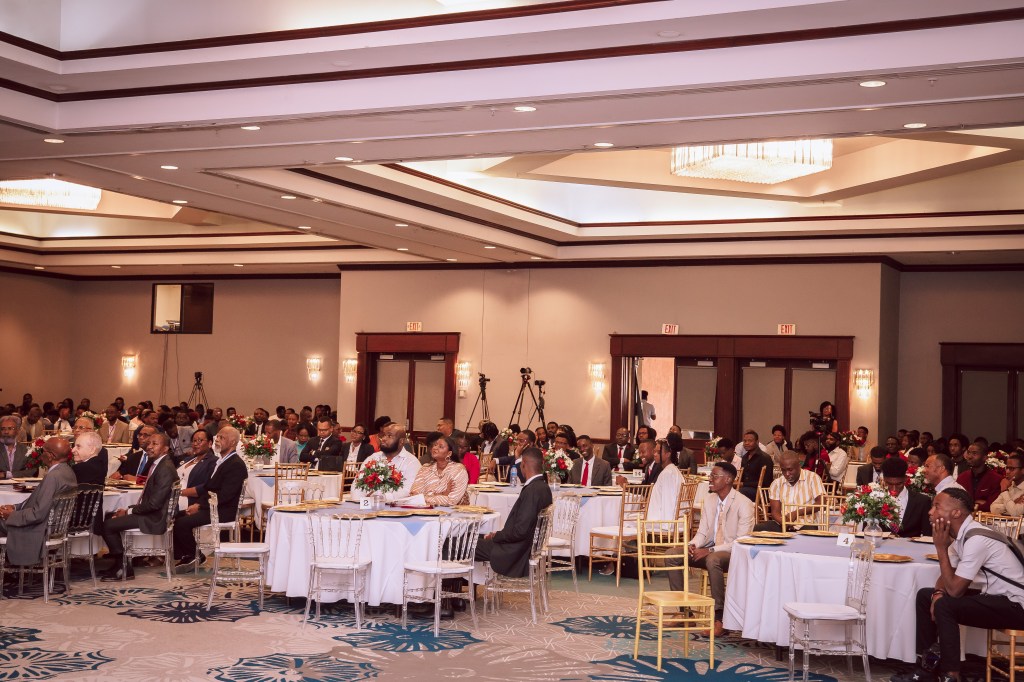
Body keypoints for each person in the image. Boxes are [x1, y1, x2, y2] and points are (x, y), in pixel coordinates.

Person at [892, 487, 1024, 682]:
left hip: (1017, 606)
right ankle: (927, 668)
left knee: (946, 604)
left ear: (956, 513)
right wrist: (937, 594)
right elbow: (946, 578)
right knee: (925, 596)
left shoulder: (976, 539)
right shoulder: (962, 536)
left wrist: (940, 549)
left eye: (937, 506)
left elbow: (955, 590)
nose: (930, 512)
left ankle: (951, 674)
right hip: (997, 599)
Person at [669, 461, 754, 638]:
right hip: (710, 549)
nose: (710, 479)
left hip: (732, 553)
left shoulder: (744, 503)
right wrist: (692, 545)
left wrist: (710, 550)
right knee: (672, 555)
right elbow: (702, 532)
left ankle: (720, 619)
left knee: (713, 559)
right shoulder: (709, 500)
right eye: (711, 475)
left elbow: (741, 541)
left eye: (715, 476)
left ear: (728, 479)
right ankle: (684, 612)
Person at [100, 432, 179, 581]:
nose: (149, 447)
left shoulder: (165, 468)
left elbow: (154, 504)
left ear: (165, 448)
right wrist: (128, 510)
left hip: (156, 518)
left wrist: (129, 511)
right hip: (152, 513)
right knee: (109, 516)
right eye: (149, 443)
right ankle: (119, 563)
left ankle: (124, 567)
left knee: (108, 525)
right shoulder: (158, 463)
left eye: (155, 444)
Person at [174, 427, 249, 570]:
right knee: (176, 516)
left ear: (233, 442)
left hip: (224, 510)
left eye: (222, 438)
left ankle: (194, 556)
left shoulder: (235, 464)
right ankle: (187, 554)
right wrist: (197, 504)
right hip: (213, 506)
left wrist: (200, 506)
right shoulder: (222, 461)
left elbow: (225, 495)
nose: (217, 440)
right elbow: (209, 488)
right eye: (217, 437)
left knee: (182, 523)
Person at [474, 447, 553, 577]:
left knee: (459, 543)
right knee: (472, 537)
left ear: (523, 464)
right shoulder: (544, 487)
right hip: (522, 547)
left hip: (514, 552)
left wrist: (497, 536)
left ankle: (453, 587)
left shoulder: (532, 490)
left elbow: (520, 531)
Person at [0, 437, 77, 566]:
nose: (41, 454)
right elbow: (38, 503)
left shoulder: (53, 477)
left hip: (38, 529)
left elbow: (38, 514)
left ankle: (10, 567)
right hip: (55, 528)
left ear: (51, 456)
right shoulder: (68, 471)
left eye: (43, 451)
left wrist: (12, 515)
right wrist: (15, 507)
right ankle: (10, 566)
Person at [754, 451, 825, 532]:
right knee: (759, 528)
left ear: (799, 465)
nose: (787, 474)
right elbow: (775, 512)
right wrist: (784, 523)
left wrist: (796, 513)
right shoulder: (776, 483)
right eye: (783, 470)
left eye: (790, 469)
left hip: (807, 524)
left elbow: (821, 503)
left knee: (809, 531)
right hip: (783, 524)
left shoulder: (812, 478)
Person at [350, 424, 421, 502]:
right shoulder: (373, 458)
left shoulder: (412, 462)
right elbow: (357, 484)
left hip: (395, 507)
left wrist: (381, 498)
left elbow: (407, 490)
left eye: (389, 436)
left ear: (401, 441)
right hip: (365, 505)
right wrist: (360, 501)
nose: (383, 439)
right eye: (383, 435)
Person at [409, 436, 469, 506]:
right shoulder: (425, 468)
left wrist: (424, 498)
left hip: (451, 511)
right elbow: (414, 495)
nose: (435, 448)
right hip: (424, 510)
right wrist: (443, 493)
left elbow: (452, 501)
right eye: (435, 445)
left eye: (441, 447)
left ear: (449, 453)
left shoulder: (458, 470)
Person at [881, 457, 932, 538]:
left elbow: (928, 536)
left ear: (905, 479)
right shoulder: (875, 500)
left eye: (899, 484)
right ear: (884, 479)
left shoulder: (922, 501)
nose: (894, 489)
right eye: (890, 484)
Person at [956, 441, 1003, 513]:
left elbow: (991, 506)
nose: (970, 456)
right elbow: (956, 502)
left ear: (985, 457)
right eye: (968, 453)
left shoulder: (996, 479)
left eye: (974, 453)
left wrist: (968, 505)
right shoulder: (962, 477)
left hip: (986, 518)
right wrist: (976, 503)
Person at [177, 429, 218, 508]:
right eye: (194, 441)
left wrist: (179, 492)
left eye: (199, 440)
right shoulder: (187, 459)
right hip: (171, 497)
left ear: (210, 444)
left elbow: (207, 487)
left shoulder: (213, 461)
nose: (195, 444)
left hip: (189, 501)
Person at [645, 439, 683, 521]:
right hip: (662, 518)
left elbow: (668, 502)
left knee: (625, 520)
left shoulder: (667, 473)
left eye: (658, 452)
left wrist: (666, 526)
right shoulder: (671, 470)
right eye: (654, 451)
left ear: (668, 454)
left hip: (662, 522)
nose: (655, 454)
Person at [737, 430, 774, 501]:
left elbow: (766, 482)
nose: (746, 443)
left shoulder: (765, 458)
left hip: (760, 491)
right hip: (745, 488)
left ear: (757, 442)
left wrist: (743, 484)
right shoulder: (745, 457)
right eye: (745, 441)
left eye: (750, 441)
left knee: (739, 492)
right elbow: (742, 478)